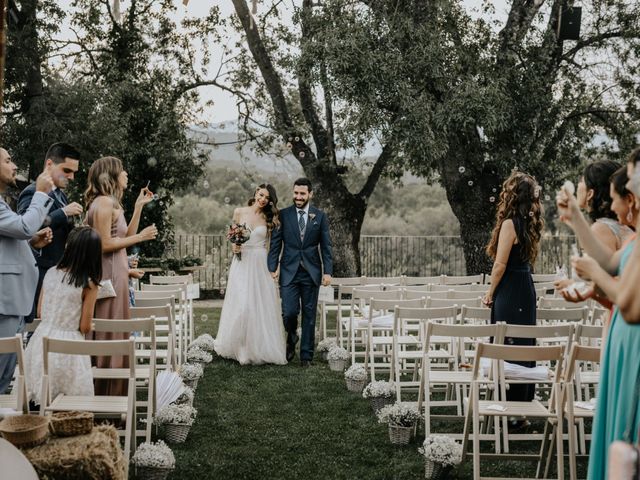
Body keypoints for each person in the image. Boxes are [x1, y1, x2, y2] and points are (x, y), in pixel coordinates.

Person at [556, 147, 640, 480]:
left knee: (626, 429)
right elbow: (610, 262)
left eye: (632, 175)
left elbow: (631, 303)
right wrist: (574, 216)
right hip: (622, 339)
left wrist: (595, 277)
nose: (628, 183)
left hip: (632, 341)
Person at [84, 156, 157, 395]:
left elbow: (123, 239)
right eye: (122, 171)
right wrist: (141, 238)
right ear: (111, 176)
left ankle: (111, 396)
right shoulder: (104, 203)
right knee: (111, 333)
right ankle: (108, 398)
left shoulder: (110, 203)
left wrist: (138, 207)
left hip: (118, 274)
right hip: (109, 278)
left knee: (116, 331)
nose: (126, 174)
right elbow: (104, 244)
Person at [482, 171, 544, 408]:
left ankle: (506, 405)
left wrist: (490, 292)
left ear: (513, 195)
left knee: (506, 343)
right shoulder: (531, 223)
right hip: (525, 287)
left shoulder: (509, 224)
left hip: (509, 289)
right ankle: (523, 406)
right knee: (523, 344)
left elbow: (500, 264)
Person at [23, 227, 102, 405]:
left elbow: (41, 312)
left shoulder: (51, 272)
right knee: (71, 404)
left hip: (41, 342)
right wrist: (91, 326)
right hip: (69, 348)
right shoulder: (89, 284)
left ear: (68, 246)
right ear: (94, 254)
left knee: (44, 397)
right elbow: (84, 327)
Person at [0, 147, 54, 393]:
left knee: (4, 377)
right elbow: (23, 226)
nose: (14, 166)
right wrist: (41, 194)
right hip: (5, 302)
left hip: (12, 302)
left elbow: (13, 238)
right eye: (8, 161)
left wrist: (31, 243)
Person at [214, 184, 287, 365]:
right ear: (255, 193)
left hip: (260, 263)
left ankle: (256, 347)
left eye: (267, 198)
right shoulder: (239, 211)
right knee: (242, 304)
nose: (263, 199)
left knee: (258, 305)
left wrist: (274, 267)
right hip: (242, 262)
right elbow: (232, 236)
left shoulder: (269, 218)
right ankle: (239, 348)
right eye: (261, 195)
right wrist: (234, 246)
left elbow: (272, 246)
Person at [268, 178, 333, 367]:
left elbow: (326, 246)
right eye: (296, 193)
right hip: (288, 271)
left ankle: (306, 356)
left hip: (311, 272)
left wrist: (327, 272)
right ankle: (291, 335)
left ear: (310, 194)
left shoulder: (319, 216)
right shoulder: (283, 214)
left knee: (310, 314)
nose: (298, 197)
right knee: (289, 312)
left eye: (302, 193)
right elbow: (275, 244)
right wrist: (272, 267)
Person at [18, 143, 83, 326]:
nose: (71, 176)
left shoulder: (61, 196)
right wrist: (63, 213)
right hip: (39, 275)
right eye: (67, 170)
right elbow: (26, 228)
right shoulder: (31, 192)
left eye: (74, 172)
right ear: (49, 164)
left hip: (58, 275)